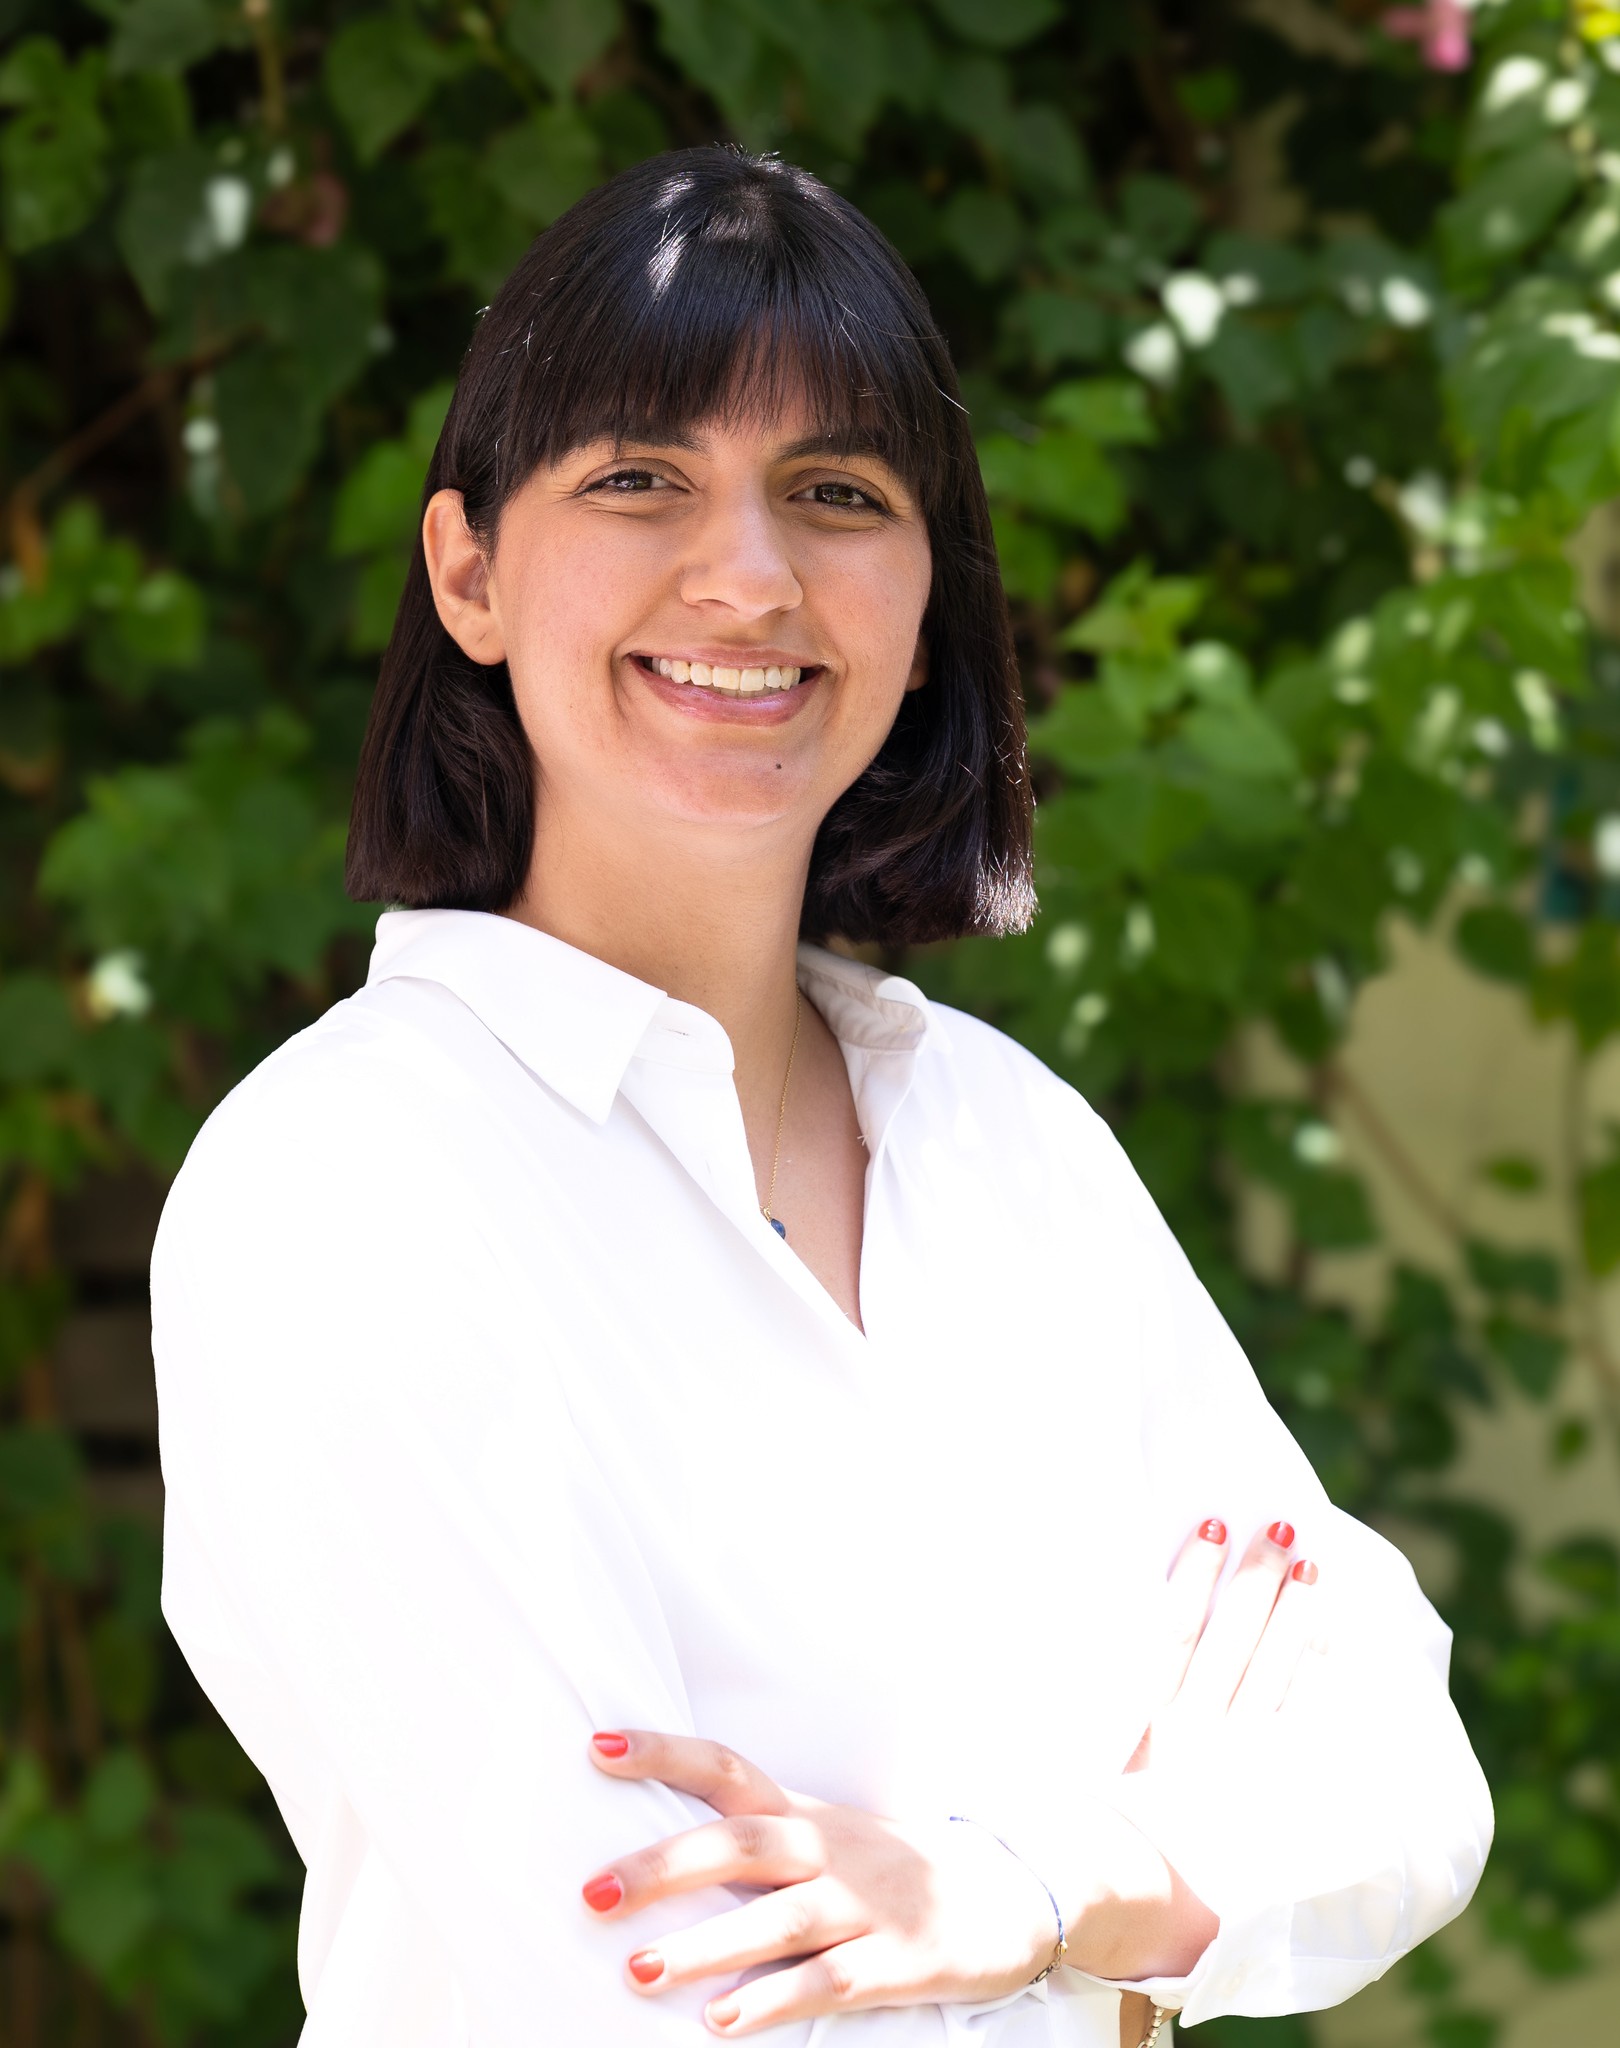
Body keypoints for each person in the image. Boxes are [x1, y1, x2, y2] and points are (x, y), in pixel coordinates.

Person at [151, 147, 1492, 2047]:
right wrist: (1137, 1926)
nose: (750, 574)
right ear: (466, 569)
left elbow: (1398, 1775)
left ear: (927, 601)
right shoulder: (343, 1184)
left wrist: (1027, 1897)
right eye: (640, 479)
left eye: (837, 495)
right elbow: (646, 1980)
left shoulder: (1012, 1143)